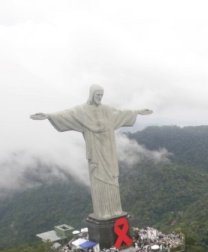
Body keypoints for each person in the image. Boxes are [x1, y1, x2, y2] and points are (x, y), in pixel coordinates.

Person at [31, 85, 152, 220]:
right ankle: (103, 211)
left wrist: (138, 111)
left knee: (112, 179)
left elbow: (122, 113)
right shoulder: (82, 111)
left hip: (109, 152)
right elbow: (66, 115)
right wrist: (48, 116)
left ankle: (116, 210)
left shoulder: (107, 110)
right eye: (97, 95)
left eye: (101, 95)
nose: (100, 98)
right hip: (95, 153)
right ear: (91, 94)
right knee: (99, 180)